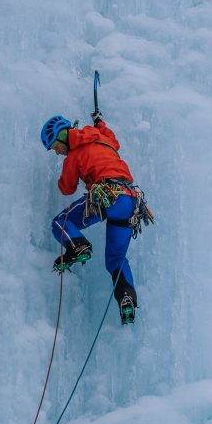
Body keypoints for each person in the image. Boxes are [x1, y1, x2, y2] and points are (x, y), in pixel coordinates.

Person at [41, 111, 139, 325]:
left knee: (61, 223)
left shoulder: (74, 155)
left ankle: (78, 246)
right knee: (115, 259)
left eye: (56, 147)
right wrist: (100, 121)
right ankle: (126, 298)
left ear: (62, 136)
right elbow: (113, 138)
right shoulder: (102, 138)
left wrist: (58, 179)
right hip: (130, 200)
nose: (57, 153)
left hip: (107, 196)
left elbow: (67, 189)